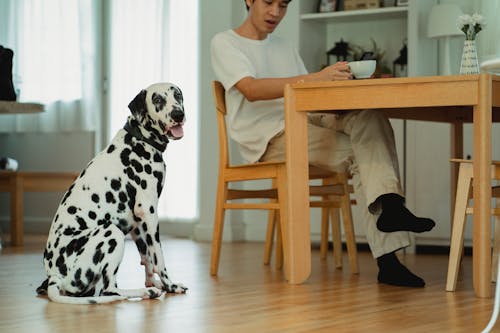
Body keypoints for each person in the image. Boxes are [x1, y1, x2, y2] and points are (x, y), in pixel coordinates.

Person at [210, 0, 436, 288]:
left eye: (282, 6)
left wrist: (339, 91)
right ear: (248, 0)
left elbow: (310, 93)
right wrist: (317, 77)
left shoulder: (284, 45)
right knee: (362, 152)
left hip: (307, 118)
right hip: (269, 137)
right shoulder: (226, 42)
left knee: (370, 117)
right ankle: (388, 259)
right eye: (268, 3)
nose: (275, 13)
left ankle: (391, 208)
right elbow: (251, 90)